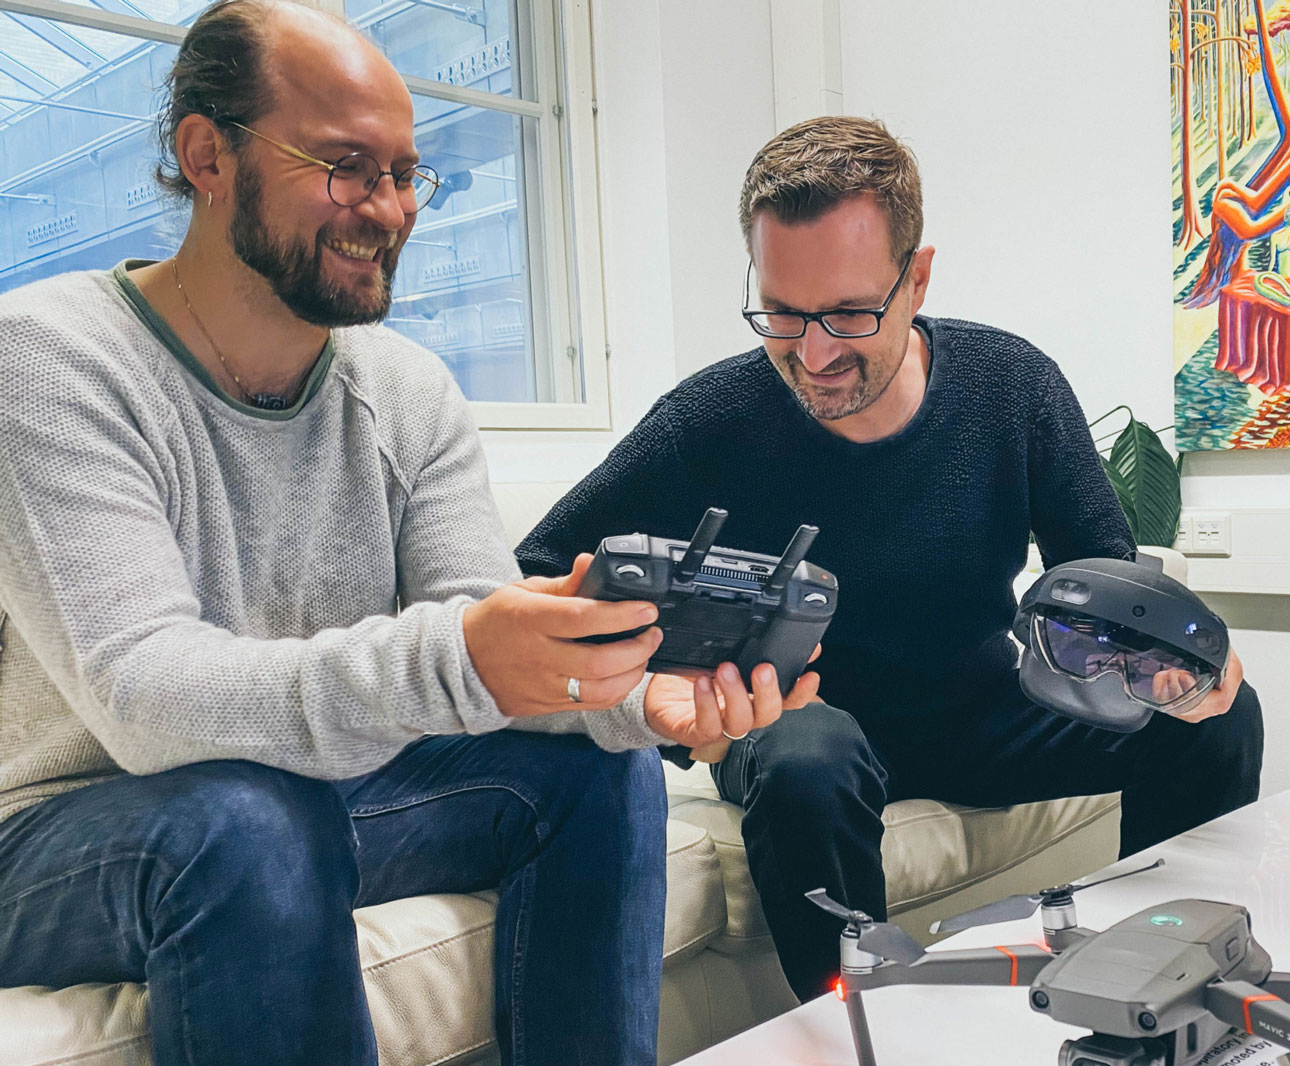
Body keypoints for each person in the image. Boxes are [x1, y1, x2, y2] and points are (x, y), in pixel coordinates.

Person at [0, 3, 812, 1064]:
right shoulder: (49, 363)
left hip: (302, 791)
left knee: (598, 776)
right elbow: (144, 699)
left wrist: (624, 700)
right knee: (249, 822)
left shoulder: (407, 389)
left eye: (404, 173)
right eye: (343, 166)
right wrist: (471, 657)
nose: (386, 208)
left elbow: (474, 645)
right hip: (69, 825)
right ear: (206, 154)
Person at [516, 116, 1264, 1002]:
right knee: (807, 759)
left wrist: (1171, 669)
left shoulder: (1012, 388)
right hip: (794, 714)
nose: (814, 353)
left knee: (1220, 716)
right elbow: (540, 572)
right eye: (783, 314)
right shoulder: (709, 418)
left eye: (848, 313)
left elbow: (1104, 577)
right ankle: (858, 1027)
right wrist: (661, 668)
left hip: (979, 707)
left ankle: (1164, 975)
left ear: (918, 278)